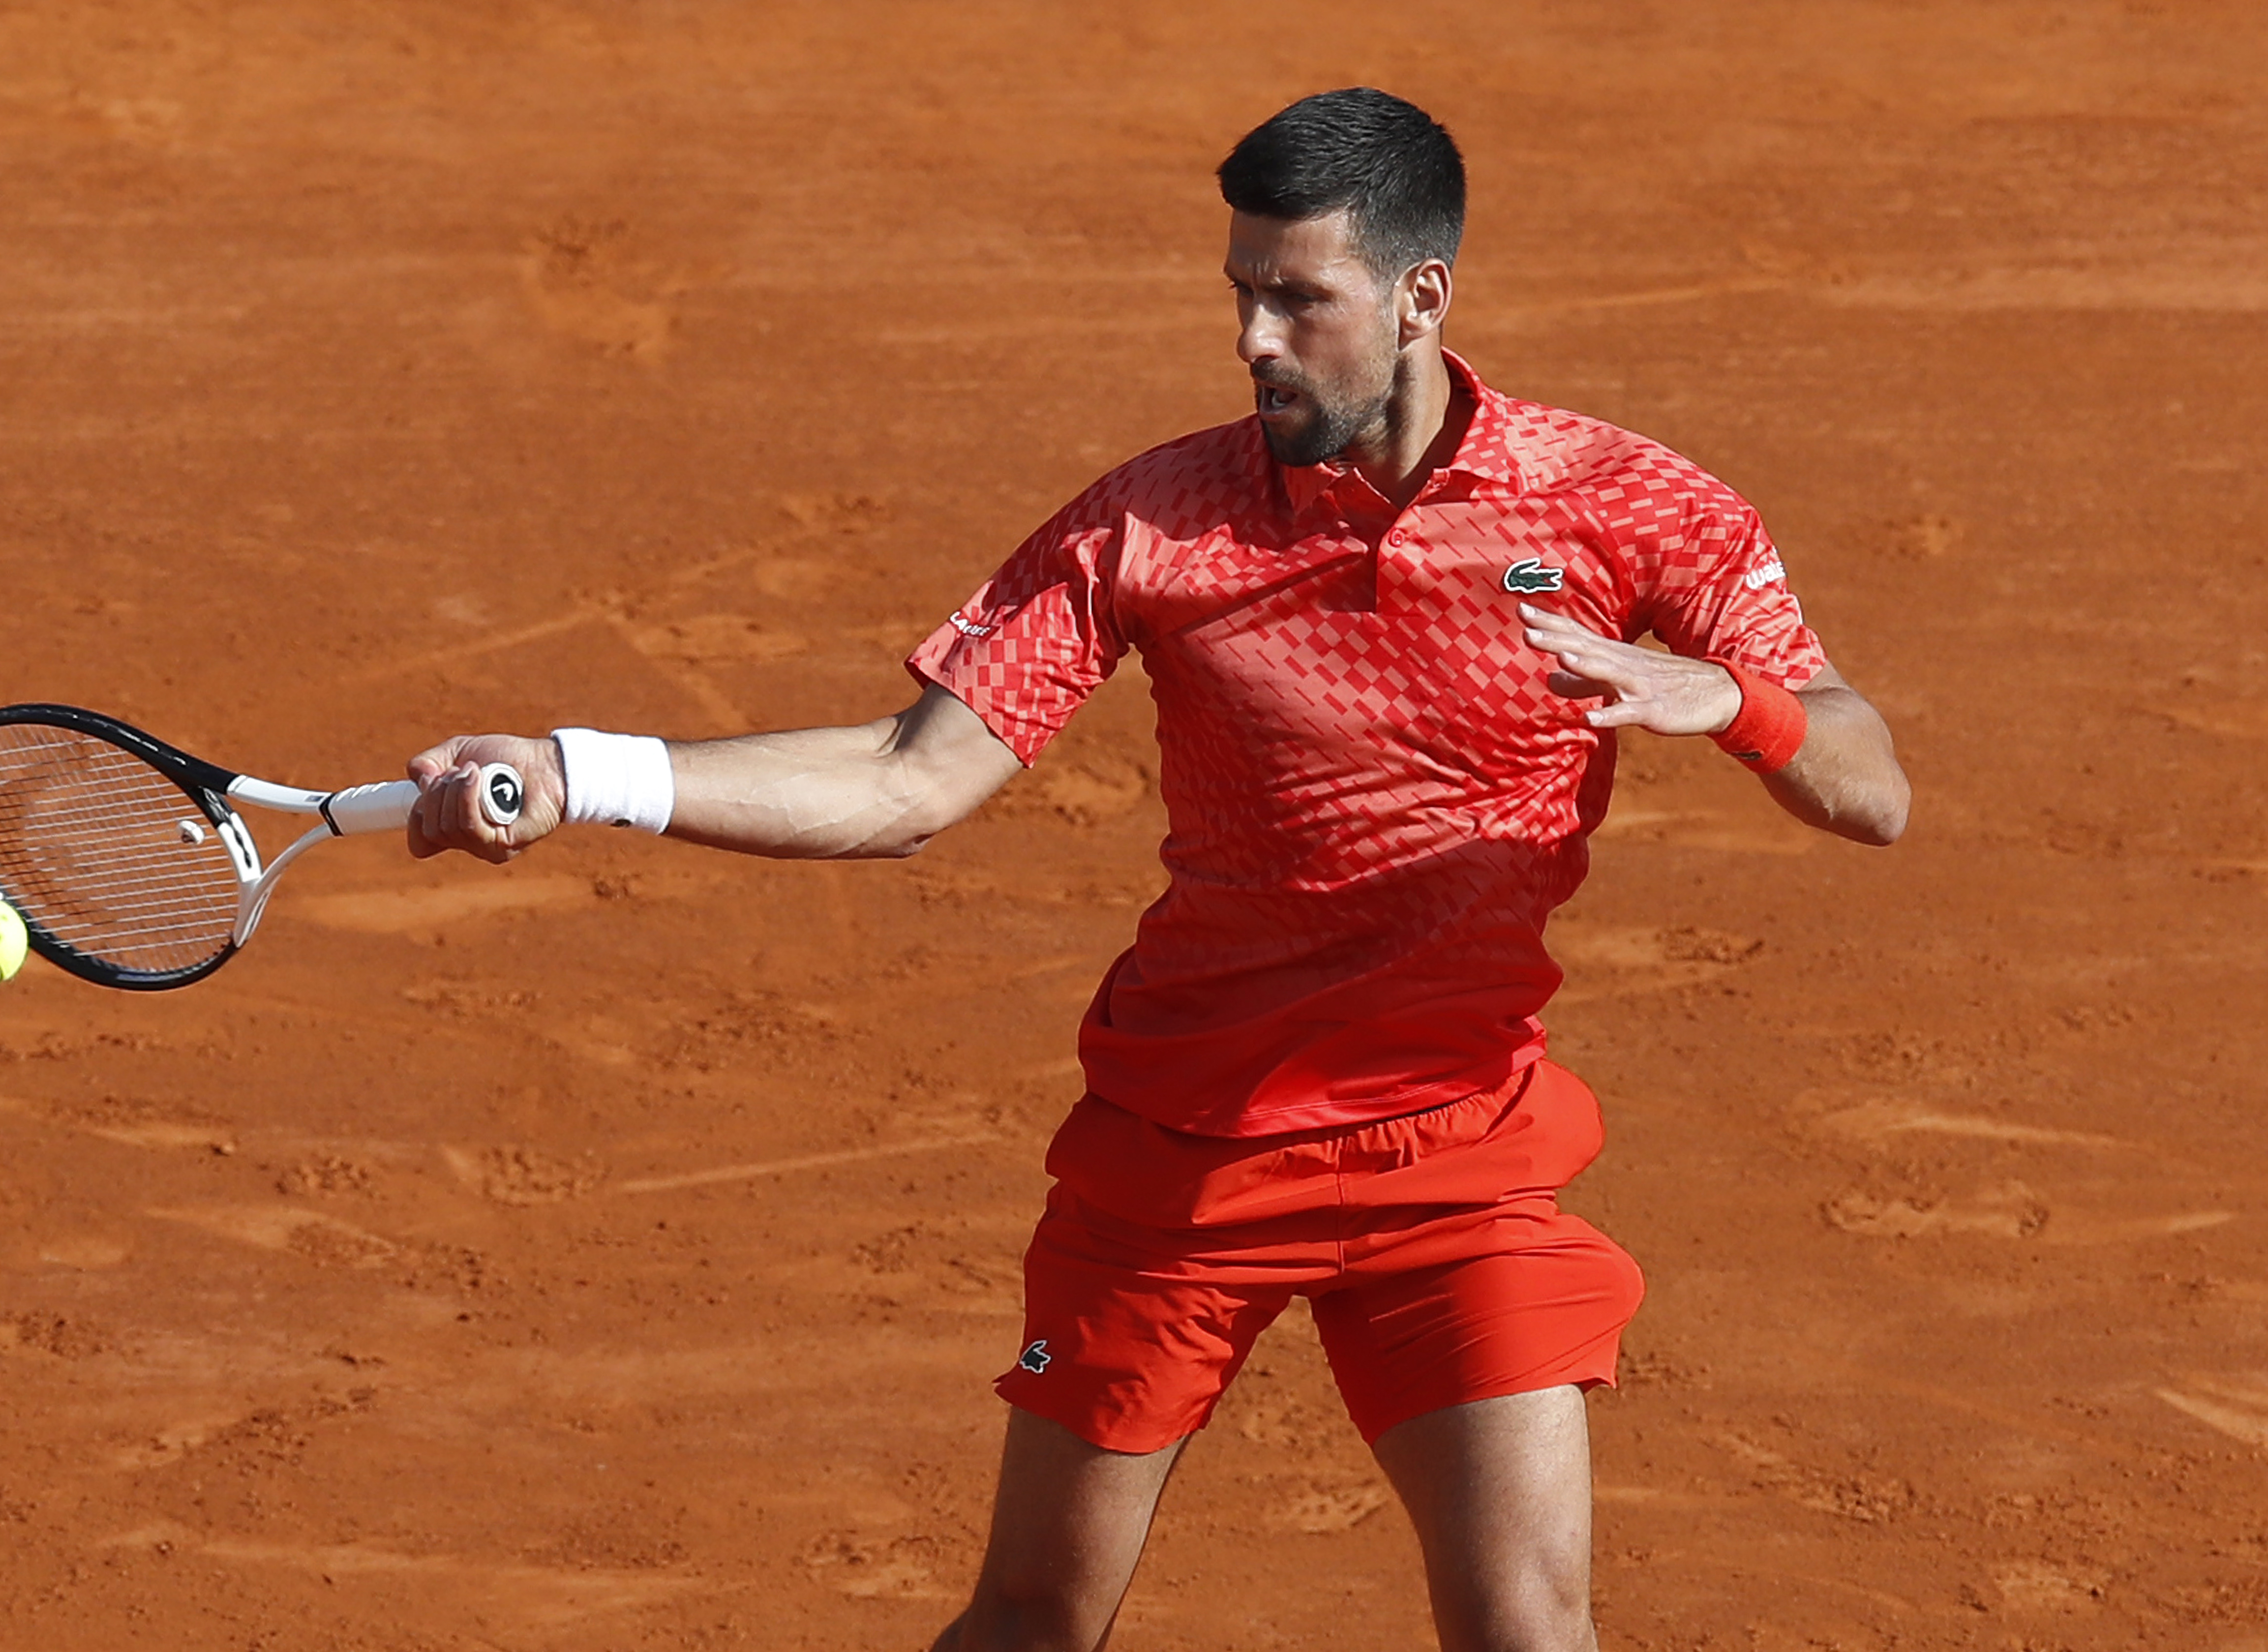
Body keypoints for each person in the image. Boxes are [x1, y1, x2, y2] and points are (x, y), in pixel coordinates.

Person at [405, 87, 1908, 1652]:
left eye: (1297, 298)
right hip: (1185, 1162)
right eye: (1239, 293)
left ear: (1420, 298)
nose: (1255, 337)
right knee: (1036, 1621)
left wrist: (1733, 700)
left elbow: (1872, 790)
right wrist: (590, 772)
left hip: (1455, 1154)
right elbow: (909, 780)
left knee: (1532, 1631)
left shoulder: (1628, 505)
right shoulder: (1151, 525)